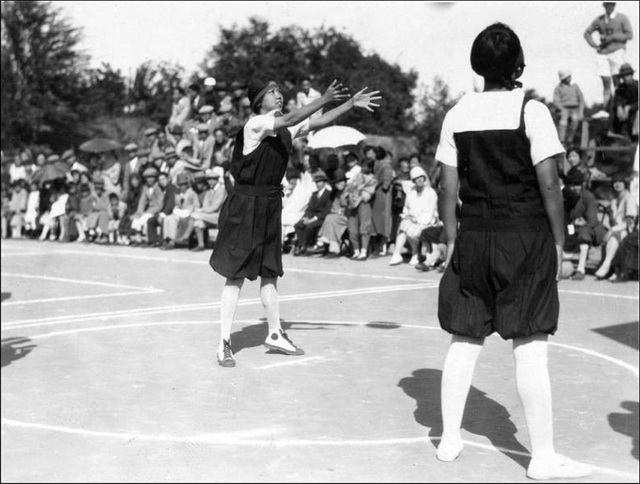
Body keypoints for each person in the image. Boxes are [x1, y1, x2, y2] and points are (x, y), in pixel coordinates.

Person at [435, 23, 592, 480]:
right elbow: (549, 182)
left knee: (464, 341)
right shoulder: (533, 110)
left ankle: (449, 438)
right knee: (530, 349)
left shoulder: (457, 113)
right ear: (519, 65)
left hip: (475, 234)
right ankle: (542, 458)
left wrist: (450, 240)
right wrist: (560, 241)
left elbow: (447, 188)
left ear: (476, 66)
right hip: (523, 234)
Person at [210, 78, 380, 367]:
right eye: (271, 92)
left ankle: (275, 333)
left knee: (270, 272)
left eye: (278, 91)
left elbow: (316, 122)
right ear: (259, 101)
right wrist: (325, 97)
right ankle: (223, 341)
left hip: (269, 204)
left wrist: (349, 104)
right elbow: (293, 117)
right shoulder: (255, 125)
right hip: (245, 203)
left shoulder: (284, 127)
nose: (279, 95)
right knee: (235, 274)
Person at [583, 2, 633, 110]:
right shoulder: (599, 20)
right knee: (606, 82)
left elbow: (629, 34)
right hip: (603, 53)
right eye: (607, 4)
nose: (609, 7)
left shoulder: (622, 18)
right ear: (604, 6)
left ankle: (619, 106)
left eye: (611, 4)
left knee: (617, 81)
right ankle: (607, 110)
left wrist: (613, 37)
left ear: (614, 5)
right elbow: (587, 33)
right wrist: (594, 45)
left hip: (617, 51)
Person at [562, 167, 607, 280]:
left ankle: (581, 269)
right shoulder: (567, 197)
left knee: (583, 233)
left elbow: (592, 220)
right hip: (574, 227)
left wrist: (578, 223)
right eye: (571, 185)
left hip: (593, 230)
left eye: (577, 184)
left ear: (581, 185)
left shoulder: (588, 196)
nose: (574, 187)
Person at [388, 166, 438, 266]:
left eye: (421, 178)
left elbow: (430, 213)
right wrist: (408, 217)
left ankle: (417, 254)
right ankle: (398, 254)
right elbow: (406, 209)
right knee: (404, 225)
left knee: (413, 229)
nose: (419, 181)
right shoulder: (411, 193)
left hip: (428, 222)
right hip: (413, 221)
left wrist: (417, 220)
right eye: (416, 179)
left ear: (424, 178)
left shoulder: (431, 193)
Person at [594, 174, 638, 279]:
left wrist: (612, 230)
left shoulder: (630, 199)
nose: (617, 185)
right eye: (615, 182)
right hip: (616, 229)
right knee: (611, 236)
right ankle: (610, 268)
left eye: (620, 182)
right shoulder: (614, 200)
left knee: (614, 237)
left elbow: (629, 223)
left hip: (628, 230)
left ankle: (606, 265)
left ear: (625, 184)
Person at [344, 158, 378, 260]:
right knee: (352, 227)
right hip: (352, 203)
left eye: (366, 166)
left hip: (364, 204)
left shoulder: (373, 179)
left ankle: (363, 251)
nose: (364, 168)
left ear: (371, 168)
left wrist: (357, 188)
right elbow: (349, 187)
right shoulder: (357, 176)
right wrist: (354, 189)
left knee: (365, 227)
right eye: (362, 166)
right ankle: (356, 251)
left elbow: (367, 194)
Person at [293, 171, 332, 255]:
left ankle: (307, 245)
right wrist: (307, 217)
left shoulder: (328, 194)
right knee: (298, 225)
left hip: (321, 218)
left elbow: (327, 211)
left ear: (324, 182)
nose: (318, 184)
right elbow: (309, 208)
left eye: (320, 182)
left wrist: (313, 219)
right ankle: (301, 245)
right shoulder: (314, 194)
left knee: (309, 226)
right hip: (312, 217)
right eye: (316, 182)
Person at [552, 69, 585, 148]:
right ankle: (562, 139)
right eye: (566, 77)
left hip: (574, 108)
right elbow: (556, 100)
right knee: (563, 120)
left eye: (569, 77)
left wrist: (581, 111)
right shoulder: (558, 88)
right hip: (563, 108)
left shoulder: (575, 86)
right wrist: (561, 108)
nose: (568, 79)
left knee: (575, 119)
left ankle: (570, 140)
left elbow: (581, 99)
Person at [608, 63, 638, 140]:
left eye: (627, 75)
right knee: (613, 113)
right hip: (624, 115)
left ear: (631, 75)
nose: (625, 78)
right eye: (623, 76)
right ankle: (616, 135)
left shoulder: (637, 85)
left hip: (635, 114)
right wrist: (619, 106)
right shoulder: (620, 88)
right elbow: (617, 99)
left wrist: (629, 107)